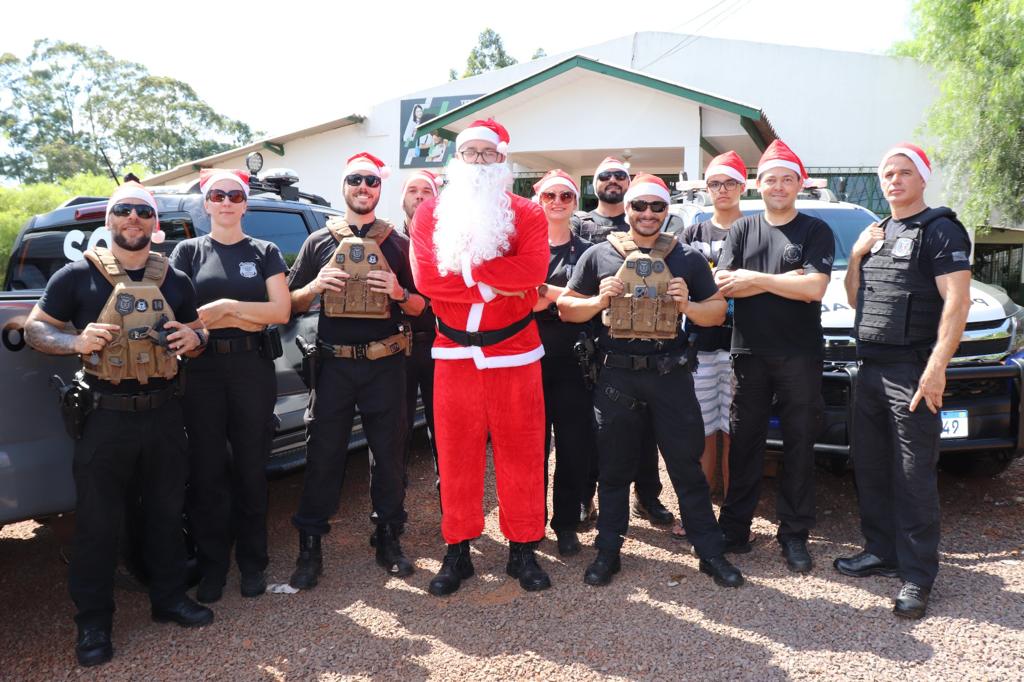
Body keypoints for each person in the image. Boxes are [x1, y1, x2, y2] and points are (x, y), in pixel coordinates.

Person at [25, 179, 212, 667]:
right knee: (96, 525)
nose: (133, 218)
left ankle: (169, 598)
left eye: (142, 212)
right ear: (109, 221)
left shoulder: (175, 280)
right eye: (124, 210)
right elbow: (36, 328)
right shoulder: (75, 277)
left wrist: (196, 339)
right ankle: (93, 623)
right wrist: (75, 343)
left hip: (165, 412)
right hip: (104, 418)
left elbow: (196, 329)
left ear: (155, 223)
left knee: (168, 513)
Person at [557, 173, 743, 588]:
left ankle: (710, 552)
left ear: (666, 211)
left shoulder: (688, 258)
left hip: (670, 374)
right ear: (627, 210)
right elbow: (567, 309)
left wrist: (687, 304)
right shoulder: (599, 256)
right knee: (614, 468)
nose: (647, 214)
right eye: (639, 206)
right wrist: (598, 300)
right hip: (617, 375)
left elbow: (716, 313)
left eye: (656, 207)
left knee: (686, 466)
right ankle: (608, 551)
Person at [410, 118, 551, 595]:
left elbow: (532, 268)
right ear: (457, 160)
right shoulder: (431, 213)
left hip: (515, 353)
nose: (477, 161)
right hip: (453, 355)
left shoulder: (527, 213)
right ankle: (459, 549)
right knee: (456, 456)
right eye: (469, 153)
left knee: (524, 452)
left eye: (487, 154)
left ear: (502, 160)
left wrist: (470, 274)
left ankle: (523, 548)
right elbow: (429, 281)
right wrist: (498, 283)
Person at [835, 143, 971, 619]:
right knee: (870, 466)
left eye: (904, 173)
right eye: (888, 173)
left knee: (914, 476)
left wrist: (936, 370)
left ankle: (917, 576)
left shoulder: (940, 230)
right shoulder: (877, 232)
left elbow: (957, 303)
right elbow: (856, 301)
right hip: (869, 368)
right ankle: (881, 550)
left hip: (912, 371)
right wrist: (855, 256)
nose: (894, 181)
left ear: (922, 180)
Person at [286, 152, 426, 589]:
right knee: (323, 454)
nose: (363, 188)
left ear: (379, 189)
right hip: (334, 366)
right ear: (343, 186)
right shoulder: (319, 242)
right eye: (354, 180)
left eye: (370, 181)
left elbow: (425, 309)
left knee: (388, 454)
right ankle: (310, 547)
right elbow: (287, 304)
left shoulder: (399, 245)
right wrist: (315, 285)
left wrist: (400, 292)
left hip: (385, 365)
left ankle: (388, 537)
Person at [169, 169, 290, 604]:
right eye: (217, 195)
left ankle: (253, 564)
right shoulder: (186, 252)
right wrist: (235, 314)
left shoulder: (264, 251)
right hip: (201, 371)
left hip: (251, 369)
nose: (225, 201)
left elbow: (279, 312)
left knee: (251, 470)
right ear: (206, 203)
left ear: (245, 203)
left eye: (234, 195)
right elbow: (179, 318)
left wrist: (225, 308)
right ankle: (213, 567)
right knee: (206, 474)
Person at [715, 140, 835, 574]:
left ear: (799, 184)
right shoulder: (742, 231)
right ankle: (734, 528)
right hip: (748, 354)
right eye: (772, 179)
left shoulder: (815, 229)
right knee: (744, 443)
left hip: (799, 356)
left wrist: (755, 277)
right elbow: (726, 286)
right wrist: (786, 280)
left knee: (800, 444)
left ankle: (794, 534)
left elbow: (815, 288)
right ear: (758, 185)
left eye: (788, 179)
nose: (779, 186)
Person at [572, 156, 674, 530]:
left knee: (645, 431)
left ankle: (647, 498)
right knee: (596, 430)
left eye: (620, 176)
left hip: (647, 340)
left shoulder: (654, 227)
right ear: (594, 183)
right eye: (605, 175)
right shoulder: (580, 225)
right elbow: (575, 282)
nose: (613, 181)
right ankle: (587, 497)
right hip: (595, 340)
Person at [674, 151, 747, 539]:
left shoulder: (755, 229)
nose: (723, 190)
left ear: (742, 187)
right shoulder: (694, 233)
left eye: (730, 183)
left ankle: (735, 519)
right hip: (700, 345)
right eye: (716, 183)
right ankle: (697, 515)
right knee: (701, 431)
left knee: (735, 432)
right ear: (707, 188)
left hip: (742, 345)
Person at [531, 169, 596, 556]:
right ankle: (530, 520)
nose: (557, 202)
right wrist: (567, 296)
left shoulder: (589, 250)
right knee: (531, 447)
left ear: (575, 202)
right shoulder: (523, 247)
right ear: (538, 200)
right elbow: (520, 299)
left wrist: (549, 293)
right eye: (549, 196)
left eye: (566, 196)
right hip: (528, 359)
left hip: (574, 361)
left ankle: (566, 523)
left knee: (574, 446)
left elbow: (588, 305)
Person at [397, 170, 441, 485]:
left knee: (445, 432)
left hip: (440, 347)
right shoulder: (386, 241)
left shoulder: (449, 241)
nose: (420, 195)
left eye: (427, 189)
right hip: (395, 349)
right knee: (394, 435)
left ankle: (453, 521)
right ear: (403, 198)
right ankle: (390, 518)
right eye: (413, 189)